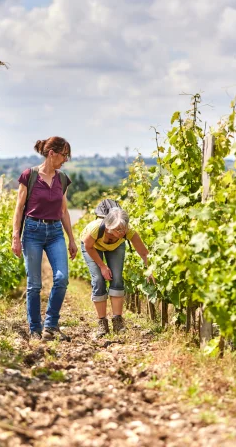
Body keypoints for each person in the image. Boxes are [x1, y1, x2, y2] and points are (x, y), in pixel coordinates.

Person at [12, 137, 78, 341]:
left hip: (55, 232)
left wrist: (72, 239)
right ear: (52, 153)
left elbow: (64, 211)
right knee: (34, 284)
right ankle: (34, 329)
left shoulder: (63, 179)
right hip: (32, 230)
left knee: (61, 278)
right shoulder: (29, 176)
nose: (65, 159)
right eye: (64, 155)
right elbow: (19, 207)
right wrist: (16, 236)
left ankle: (50, 325)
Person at [80, 208, 154, 338]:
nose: (121, 232)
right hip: (92, 247)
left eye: (123, 229)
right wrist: (102, 266)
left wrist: (150, 270)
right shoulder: (96, 229)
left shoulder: (128, 231)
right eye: (117, 230)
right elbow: (88, 246)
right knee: (98, 280)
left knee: (117, 278)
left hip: (115, 247)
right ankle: (102, 323)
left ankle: (118, 321)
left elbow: (143, 252)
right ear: (109, 227)